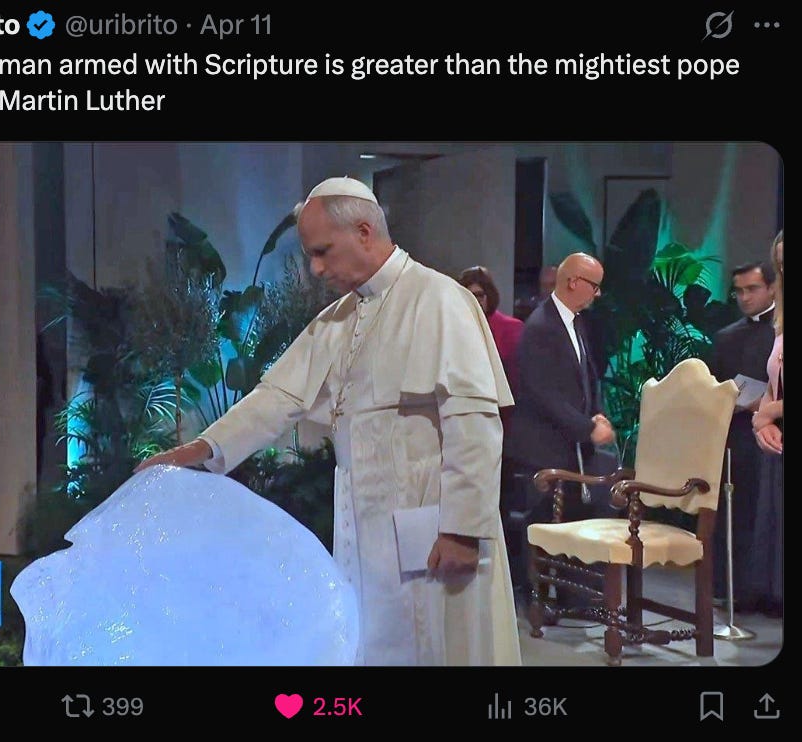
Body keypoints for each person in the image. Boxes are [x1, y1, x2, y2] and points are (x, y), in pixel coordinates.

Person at [136, 176, 521, 666]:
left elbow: (474, 422)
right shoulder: (338, 318)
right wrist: (201, 449)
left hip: (432, 523)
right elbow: (276, 398)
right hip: (366, 526)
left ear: (364, 231)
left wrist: (463, 530)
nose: (316, 269)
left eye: (322, 252)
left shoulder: (440, 299)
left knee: (442, 647)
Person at [504, 253, 616, 597]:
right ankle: (539, 599)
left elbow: (585, 378)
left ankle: (573, 596)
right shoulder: (541, 327)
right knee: (541, 527)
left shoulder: (575, 322)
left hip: (567, 447)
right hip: (542, 449)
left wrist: (596, 413)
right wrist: (587, 428)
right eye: (594, 286)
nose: (597, 294)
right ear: (573, 282)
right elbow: (544, 393)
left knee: (571, 520)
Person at [708, 260, 776, 605]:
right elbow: (714, 386)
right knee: (737, 513)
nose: (744, 297)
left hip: (777, 435)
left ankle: (773, 593)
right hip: (736, 437)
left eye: (752, 289)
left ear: (772, 288)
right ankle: (734, 590)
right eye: (739, 291)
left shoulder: (781, 332)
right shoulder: (726, 336)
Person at [748, 229, 783, 617]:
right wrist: (763, 421)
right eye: (781, 264)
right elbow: (774, 380)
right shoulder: (780, 321)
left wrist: (772, 412)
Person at [459, 266, 525, 396]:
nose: (474, 302)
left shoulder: (512, 328)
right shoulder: (454, 329)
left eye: (478, 295)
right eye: (468, 296)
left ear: (489, 295)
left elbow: (518, 381)